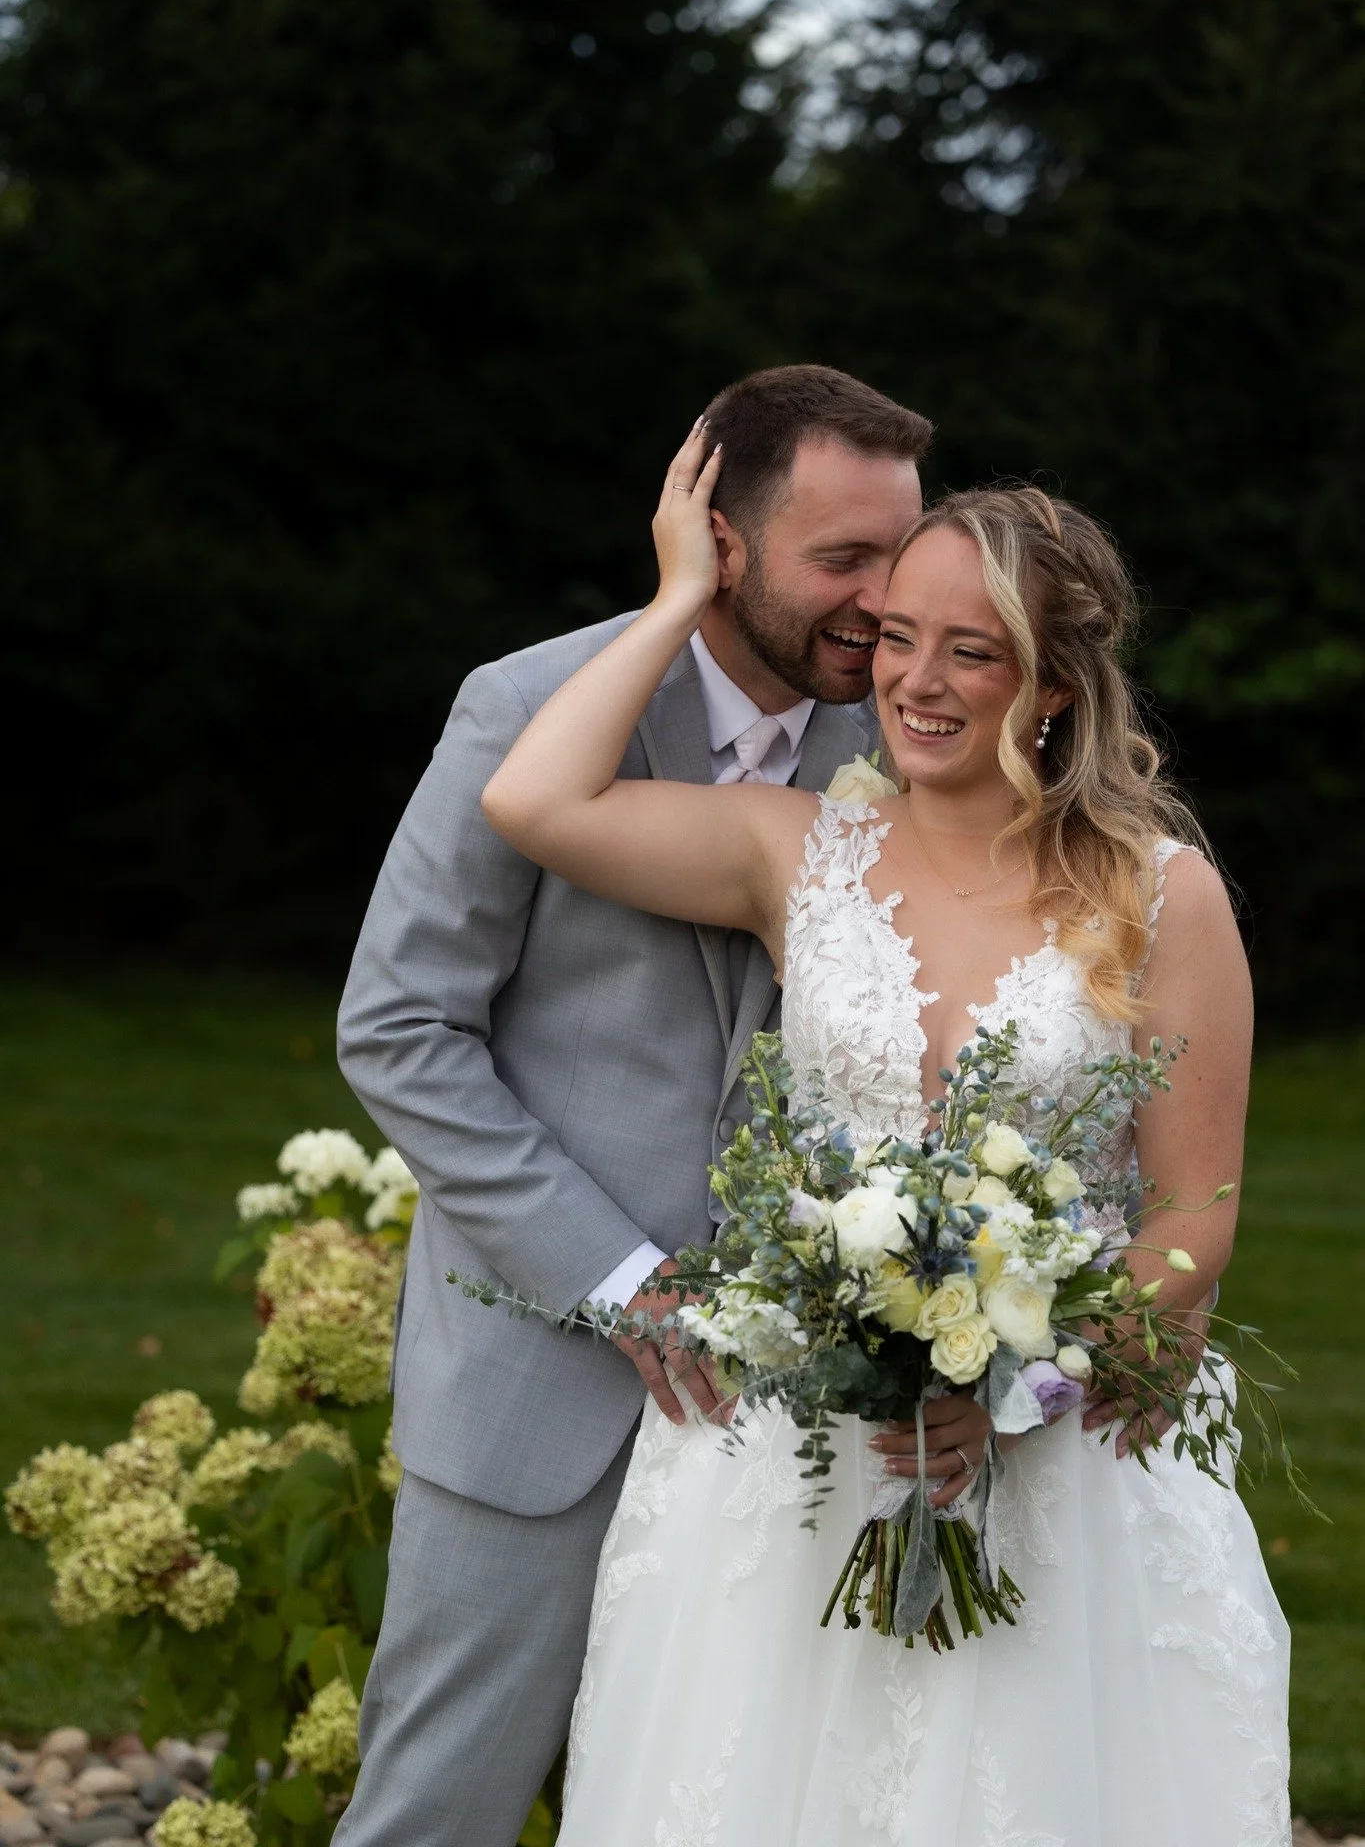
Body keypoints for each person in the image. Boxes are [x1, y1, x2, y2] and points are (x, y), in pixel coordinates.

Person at [480, 433, 1291, 1847]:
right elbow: (533, 800)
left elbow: (1195, 1209)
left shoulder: (1162, 898)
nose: (914, 683)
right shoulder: (796, 854)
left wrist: (1022, 1394)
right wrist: (677, 600)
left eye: (970, 652)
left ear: (1050, 685)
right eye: (896, 639)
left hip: (1054, 1475)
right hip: (792, 1468)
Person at [331, 365, 931, 1847]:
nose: (882, 600)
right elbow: (400, 1029)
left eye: (900, 556)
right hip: (539, 1395)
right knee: (439, 1811)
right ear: (719, 541)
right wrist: (618, 1282)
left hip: (802, 1421)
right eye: (842, 559)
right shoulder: (533, 708)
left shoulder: (913, 751)